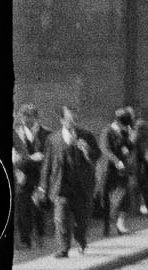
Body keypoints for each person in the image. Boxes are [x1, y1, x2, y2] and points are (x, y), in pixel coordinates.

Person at [35, 105, 96, 258]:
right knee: (60, 218)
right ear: (62, 120)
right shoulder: (53, 139)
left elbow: (97, 155)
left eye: (75, 119)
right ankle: (64, 248)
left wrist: (87, 150)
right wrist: (43, 186)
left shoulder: (86, 135)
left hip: (81, 186)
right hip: (61, 185)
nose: (73, 122)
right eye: (70, 119)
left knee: (81, 220)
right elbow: (47, 164)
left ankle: (81, 239)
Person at [97, 107, 139, 236]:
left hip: (121, 171)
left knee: (124, 195)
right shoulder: (107, 132)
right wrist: (116, 161)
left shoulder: (124, 132)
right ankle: (106, 227)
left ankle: (120, 225)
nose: (127, 127)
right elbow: (105, 149)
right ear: (119, 122)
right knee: (105, 199)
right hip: (107, 169)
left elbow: (127, 147)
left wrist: (133, 139)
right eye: (125, 125)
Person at [12, 103, 49, 248]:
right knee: (23, 207)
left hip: (39, 175)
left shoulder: (45, 133)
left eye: (30, 116)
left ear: (36, 117)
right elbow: (14, 155)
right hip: (23, 174)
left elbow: (50, 154)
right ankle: (25, 238)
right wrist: (17, 170)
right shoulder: (16, 132)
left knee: (38, 206)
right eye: (23, 116)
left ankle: (40, 236)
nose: (26, 119)